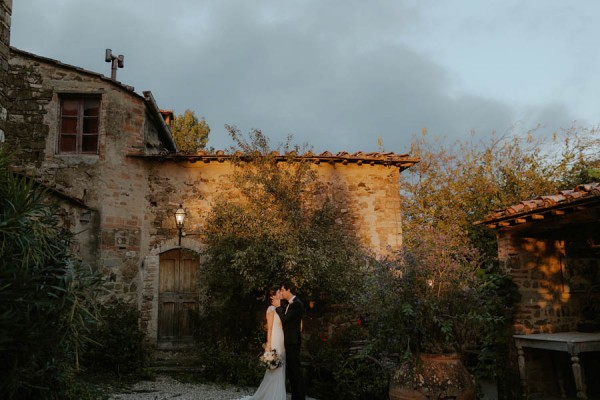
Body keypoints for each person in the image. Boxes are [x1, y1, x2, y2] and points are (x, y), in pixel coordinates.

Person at [240, 286, 286, 400]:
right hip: (275, 340)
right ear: (273, 296)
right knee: (275, 367)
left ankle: (278, 394)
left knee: (281, 367)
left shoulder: (282, 308)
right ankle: (272, 396)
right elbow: (269, 328)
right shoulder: (271, 309)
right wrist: (268, 344)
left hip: (282, 341)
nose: (281, 293)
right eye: (279, 292)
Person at [272, 281, 306, 400]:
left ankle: (299, 397)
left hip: (293, 342)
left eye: (282, 290)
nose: (281, 292)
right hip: (290, 341)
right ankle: (296, 397)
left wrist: (277, 307)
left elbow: (285, 320)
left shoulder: (297, 304)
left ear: (288, 290)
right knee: (292, 370)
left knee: (295, 370)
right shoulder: (290, 304)